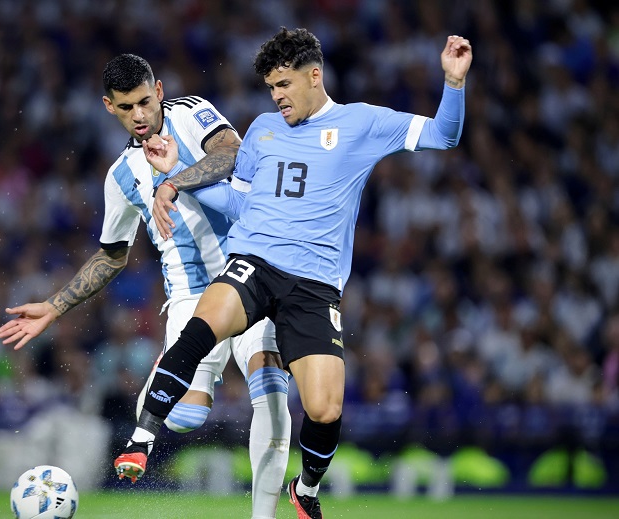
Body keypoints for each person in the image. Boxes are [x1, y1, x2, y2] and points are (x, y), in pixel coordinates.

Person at [114, 28, 472, 519]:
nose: (277, 96)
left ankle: (304, 489)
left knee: (325, 409)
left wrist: (454, 82)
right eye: (270, 87)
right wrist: (179, 172)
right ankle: (141, 437)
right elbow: (239, 203)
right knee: (203, 323)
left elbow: (444, 135)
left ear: (314, 76)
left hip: (314, 286)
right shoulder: (262, 129)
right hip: (255, 262)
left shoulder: (362, 122)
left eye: (284, 84)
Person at [0, 54, 291, 519]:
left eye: (144, 102)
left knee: (270, 392)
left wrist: (172, 183)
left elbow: (231, 153)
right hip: (191, 297)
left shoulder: (191, 113)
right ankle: (166, 374)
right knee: (185, 417)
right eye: (125, 107)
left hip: (250, 272)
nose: (138, 115)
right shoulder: (120, 176)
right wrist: (55, 306)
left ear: (158, 91)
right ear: (108, 107)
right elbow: (112, 254)